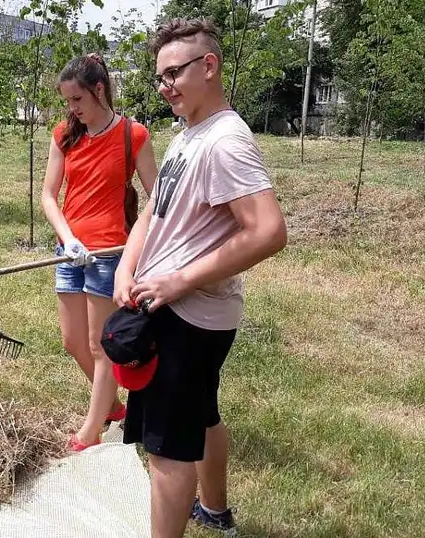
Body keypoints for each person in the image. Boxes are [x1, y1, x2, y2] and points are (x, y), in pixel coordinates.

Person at [108, 18, 288, 538]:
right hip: (173, 305)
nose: (164, 86)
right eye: (159, 77)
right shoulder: (190, 134)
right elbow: (154, 212)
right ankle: (214, 510)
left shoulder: (225, 142)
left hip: (186, 316)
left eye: (173, 73)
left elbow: (268, 231)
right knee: (201, 416)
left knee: (167, 449)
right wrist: (128, 263)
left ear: (208, 66)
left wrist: (177, 281)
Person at [40, 53, 159, 452]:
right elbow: (48, 196)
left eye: (78, 100)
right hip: (69, 253)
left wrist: (138, 245)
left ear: (99, 90)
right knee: (72, 341)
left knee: (98, 344)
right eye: (68, 102)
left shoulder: (134, 135)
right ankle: (112, 405)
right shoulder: (64, 135)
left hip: (110, 253)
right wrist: (66, 237)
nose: (72, 109)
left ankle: (93, 429)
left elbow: (158, 198)